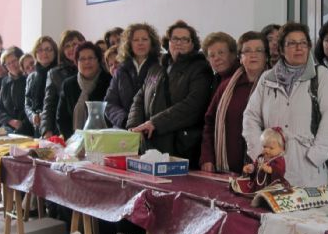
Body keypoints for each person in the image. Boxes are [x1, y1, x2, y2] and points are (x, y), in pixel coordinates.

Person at [243, 22, 328, 188]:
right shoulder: (267, 79)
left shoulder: (321, 76)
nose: (299, 48)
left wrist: (316, 156)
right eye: (292, 43)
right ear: (281, 49)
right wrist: (260, 152)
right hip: (271, 167)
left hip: (309, 170)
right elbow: (250, 117)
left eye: (303, 43)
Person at [127, 20, 212, 166]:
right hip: (150, 145)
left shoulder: (200, 68)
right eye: (175, 38)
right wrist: (135, 126)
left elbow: (194, 105)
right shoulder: (157, 67)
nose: (179, 42)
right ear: (168, 42)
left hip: (181, 148)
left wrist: (155, 123)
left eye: (185, 39)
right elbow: (139, 98)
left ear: (193, 44)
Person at [200, 31, 269, 174]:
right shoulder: (226, 86)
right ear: (240, 57)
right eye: (247, 51)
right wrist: (207, 157)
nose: (253, 55)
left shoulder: (276, 86)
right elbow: (210, 123)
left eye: (259, 50)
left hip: (264, 167)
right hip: (227, 168)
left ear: (266, 56)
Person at [56, 42, 112, 139]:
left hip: (103, 139)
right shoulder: (68, 85)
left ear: (98, 60)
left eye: (91, 58)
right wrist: (72, 141)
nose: (87, 62)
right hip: (74, 141)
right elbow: (61, 118)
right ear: (77, 62)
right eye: (82, 59)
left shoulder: (109, 81)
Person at [41, 30, 85, 137]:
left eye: (75, 44)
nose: (71, 49)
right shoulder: (54, 73)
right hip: (64, 128)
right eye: (67, 46)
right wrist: (46, 130)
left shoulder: (91, 67)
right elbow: (49, 105)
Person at [234, 127, 288, 193]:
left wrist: (269, 169)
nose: (267, 150)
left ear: (282, 149)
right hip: (259, 186)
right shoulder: (261, 157)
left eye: (271, 148)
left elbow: (279, 170)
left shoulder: (279, 160)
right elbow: (256, 164)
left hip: (271, 187)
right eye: (264, 146)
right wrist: (251, 168)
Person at [0, 46, 33, 136]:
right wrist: (10, 121)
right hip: (9, 130)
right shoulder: (5, 81)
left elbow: (32, 106)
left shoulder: (29, 78)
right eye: (8, 63)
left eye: (14, 61)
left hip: (28, 130)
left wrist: (21, 125)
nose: (12, 65)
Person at [24, 36, 58, 133]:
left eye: (48, 49)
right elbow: (27, 103)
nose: (44, 53)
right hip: (37, 125)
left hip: (54, 126)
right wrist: (32, 115)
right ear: (35, 54)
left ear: (55, 52)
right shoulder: (31, 77)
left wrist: (45, 115)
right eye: (40, 50)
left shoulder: (59, 73)